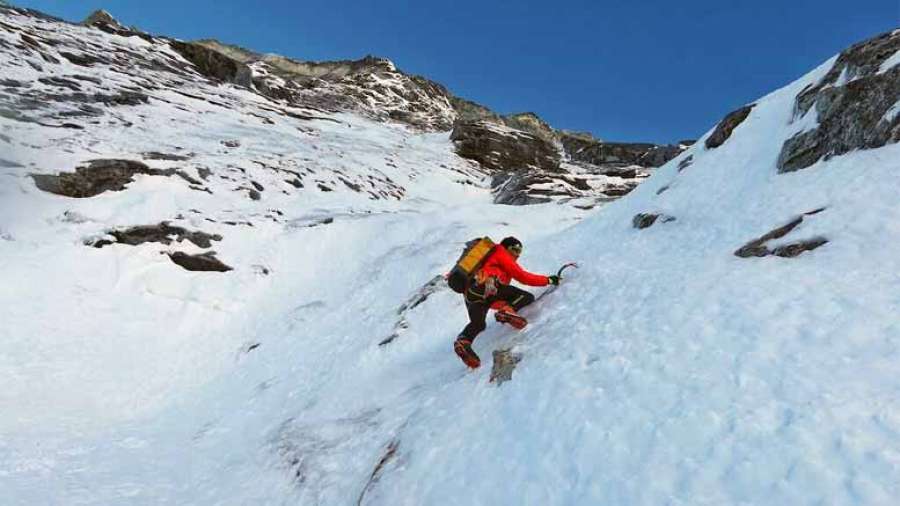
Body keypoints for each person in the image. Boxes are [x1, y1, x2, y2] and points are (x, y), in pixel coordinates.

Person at [453, 236, 559, 368]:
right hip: (487, 284)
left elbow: (492, 300)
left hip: (471, 293)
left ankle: (463, 341)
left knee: (478, 324)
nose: (517, 254)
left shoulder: (488, 259)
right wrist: (548, 280)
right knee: (526, 296)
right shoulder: (500, 251)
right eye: (515, 249)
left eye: (519, 251)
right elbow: (523, 277)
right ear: (506, 247)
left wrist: (502, 308)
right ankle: (507, 311)